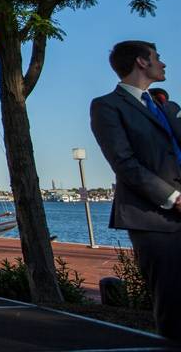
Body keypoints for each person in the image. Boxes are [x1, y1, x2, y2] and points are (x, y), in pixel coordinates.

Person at [90, 40, 181, 340]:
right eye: (158, 57)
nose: (163, 63)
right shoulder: (107, 106)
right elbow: (125, 163)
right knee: (172, 301)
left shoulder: (167, 106)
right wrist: (173, 198)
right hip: (153, 219)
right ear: (142, 62)